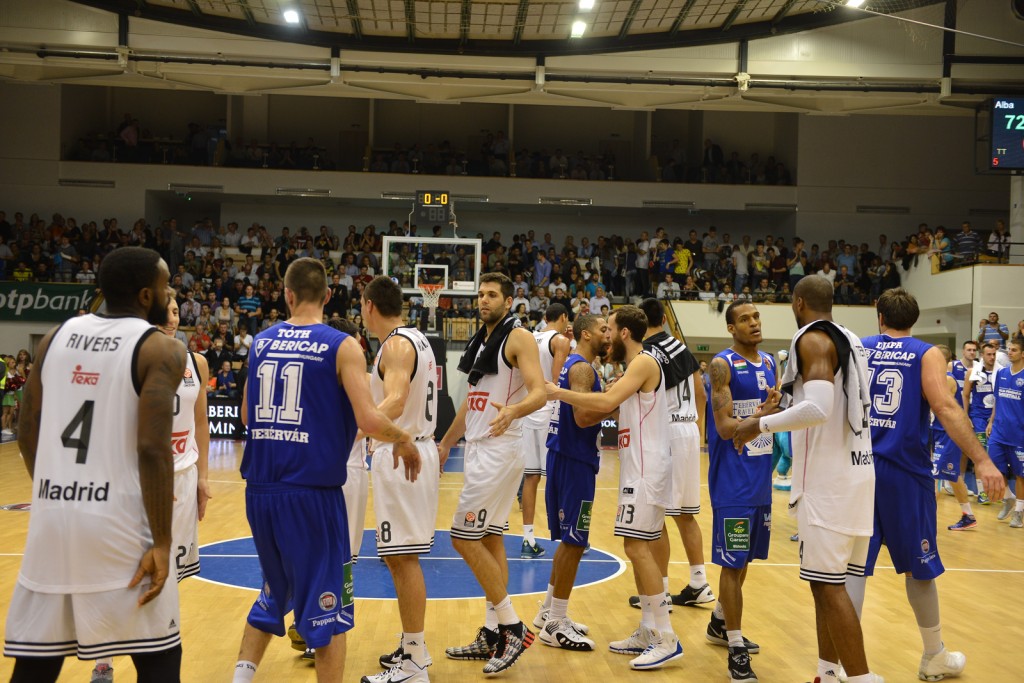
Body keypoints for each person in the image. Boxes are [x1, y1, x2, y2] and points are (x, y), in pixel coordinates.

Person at [231, 258, 422, 683]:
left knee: (273, 590)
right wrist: (403, 438)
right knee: (329, 614)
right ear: (329, 295)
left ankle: (241, 677)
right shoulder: (342, 346)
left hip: (260, 491)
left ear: (287, 294)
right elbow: (369, 419)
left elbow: (246, 415)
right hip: (311, 494)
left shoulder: (260, 342)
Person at [4, 246, 185, 683]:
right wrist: (163, 541)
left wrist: (55, 493)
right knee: (159, 659)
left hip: (53, 523)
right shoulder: (161, 348)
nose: (168, 295)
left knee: (36, 662)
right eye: (165, 287)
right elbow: (153, 449)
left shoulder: (54, 337)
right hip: (120, 526)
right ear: (146, 295)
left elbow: (27, 430)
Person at [848, 287, 1005, 681]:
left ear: (879, 315)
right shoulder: (926, 353)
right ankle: (933, 654)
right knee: (920, 569)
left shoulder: (859, 347)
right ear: (914, 319)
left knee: (853, 569)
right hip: (904, 474)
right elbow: (945, 407)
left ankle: (840, 665)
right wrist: (983, 459)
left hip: (860, 470)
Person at [734, 275, 876, 683]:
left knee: (829, 588)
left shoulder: (812, 339)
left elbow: (818, 409)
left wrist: (758, 424)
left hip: (829, 483)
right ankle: (826, 673)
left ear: (798, 302)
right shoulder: (851, 337)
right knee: (830, 584)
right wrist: (783, 402)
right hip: (858, 473)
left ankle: (861, 678)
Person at [546, 306, 682, 671]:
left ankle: (666, 637)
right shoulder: (634, 367)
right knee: (639, 547)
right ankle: (649, 628)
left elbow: (606, 403)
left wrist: (557, 392)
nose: (607, 336)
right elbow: (614, 408)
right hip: (637, 466)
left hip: (646, 469)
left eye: (610, 329)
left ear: (623, 333)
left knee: (636, 547)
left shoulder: (644, 362)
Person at [89, 296, 214, 681]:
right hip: (139, 478)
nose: (172, 318)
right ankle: (105, 656)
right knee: (123, 571)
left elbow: (200, 422)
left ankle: (159, 646)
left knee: (170, 576)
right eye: (165, 312)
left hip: (184, 474)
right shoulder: (130, 358)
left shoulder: (197, 362)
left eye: (176, 312)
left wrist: (203, 477)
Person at [438, 272, 546, 675]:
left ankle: (512, 626)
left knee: (461, 537)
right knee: (489, 537)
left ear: (508, 300)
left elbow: (540, 390)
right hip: (481, 449)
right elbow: (472, 403)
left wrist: (515, 410)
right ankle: (492, 633)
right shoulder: (482, 340)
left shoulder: (518, 337)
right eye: (481, 294)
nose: (484, 300)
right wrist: (446, 443)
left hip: (500, 449)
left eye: (492, 295)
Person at [359, 276, 441, 683]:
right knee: (398, 558)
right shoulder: (416, 338)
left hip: (401, 452)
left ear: (369, 305)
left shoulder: (394, 345)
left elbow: (395, 400)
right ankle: (414, 649)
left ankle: (414, 665)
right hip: (412, 449)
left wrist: (354, 428)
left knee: (403, 560)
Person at [704, 300, 778, 683]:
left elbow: (768, 419)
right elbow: (724, 427)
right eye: (745, 319)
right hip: (732, 480)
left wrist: (772, 412)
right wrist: (765, 415)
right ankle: (735, 648)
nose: (754, 323)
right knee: (732, 564)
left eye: (756, 317)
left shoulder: (770, 362)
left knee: (744, 559)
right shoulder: (722, 365)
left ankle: (719, 622)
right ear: (731, 328)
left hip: (760, 478)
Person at [625, 299, 714, 614]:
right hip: (688, 430)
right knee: (686, 514)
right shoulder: (682, 347)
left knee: (657, 515)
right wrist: (698, 430)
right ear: (664, 319)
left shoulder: (646, 353)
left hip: (667, 431)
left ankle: (659, 592)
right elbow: (701, 394)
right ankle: (699, 582)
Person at [531, 313, 609, 651]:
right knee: (575, 542)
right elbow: (584, 416)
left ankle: (548, 611)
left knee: (569, 541)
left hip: (565, 456)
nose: (609, 334)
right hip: (574, 459)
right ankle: (556, 622)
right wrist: (615, 404)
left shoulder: (574, 365)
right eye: (604, 329)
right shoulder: (582, 368)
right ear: (587, 334)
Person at [520, 304, 571, 559]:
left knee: (531, 477)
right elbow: (557, 378)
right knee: (559, 476)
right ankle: (570, 537)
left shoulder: (529, 337)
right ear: (563, 317)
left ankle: (528, 539)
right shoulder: (560, 340)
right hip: (549, 410)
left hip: (528, 409)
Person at [986, 335, 1024, 527]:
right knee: (994, 467)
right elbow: (997, 400)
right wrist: (991, 421)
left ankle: (1019, 511)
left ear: (1023, 354)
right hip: (999, 431)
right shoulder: (1001, 374)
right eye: (1009, 349)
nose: (1009, 352)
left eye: (1014, 350)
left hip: (1019, 434)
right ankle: (1008, 498)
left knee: (1020, 475)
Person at [963, 341, 998, 504]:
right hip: (978, 418)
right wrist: (965, 416)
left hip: (995, 418)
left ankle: (994, 491)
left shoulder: (1000, 372)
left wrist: (994, 419)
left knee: (995, 454)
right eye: (988, 354)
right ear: (982, 355)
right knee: (981, 453)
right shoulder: (973, 371)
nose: (992, 357)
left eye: (994, 354)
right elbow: (965, 395)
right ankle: (982, 492)